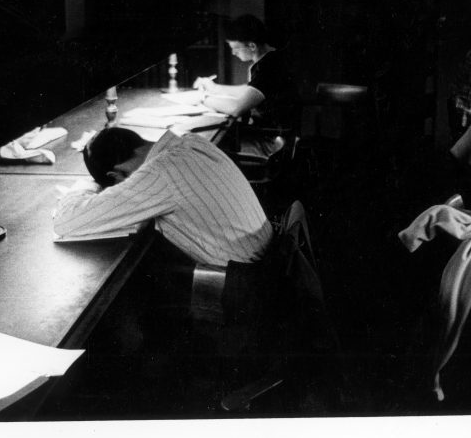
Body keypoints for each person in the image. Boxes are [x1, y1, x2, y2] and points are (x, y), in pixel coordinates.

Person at [52, 127, 274, 268]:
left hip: (243, 280)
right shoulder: (191, 141)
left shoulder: (157, 174)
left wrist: (85, 187)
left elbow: (66, 222)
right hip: (269, 256)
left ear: (116, 174)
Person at [193, 14, 299, 133]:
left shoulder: (269, 66)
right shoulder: (269, 59)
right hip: (269, 132)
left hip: (271, 139)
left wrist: (202, 99)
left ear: (252, 46)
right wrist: (215, 88)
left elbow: (236, 108)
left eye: (236, 48)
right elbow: (249, 91)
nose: (233, 53)